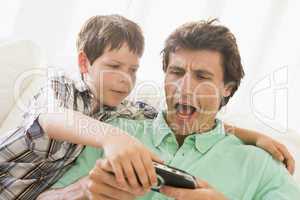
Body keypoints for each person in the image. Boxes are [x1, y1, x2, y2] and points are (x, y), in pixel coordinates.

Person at [0, 15, 295, 200]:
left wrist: (253, 137)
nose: (184, 88)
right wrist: (79, 193)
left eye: (203, 77)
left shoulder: (262, 167)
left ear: (227, 89)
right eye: (176, 73)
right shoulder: (113, 126)